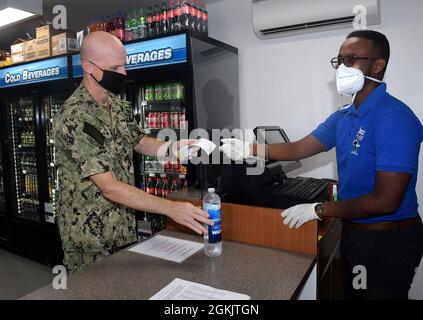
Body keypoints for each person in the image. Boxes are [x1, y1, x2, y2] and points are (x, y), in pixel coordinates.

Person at [220, 30, 423, 300]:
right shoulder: (344, 116)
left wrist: (319, 209)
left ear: (377, 65)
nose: (342, 68)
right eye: (339, 60)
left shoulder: (394, 118)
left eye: (351, 60)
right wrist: (251, 149)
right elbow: (300, 147)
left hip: (385, 240)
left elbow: (385, 201)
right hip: (357, 233)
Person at [53, 31, 212, 274]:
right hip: (89, 238)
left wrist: (170, 148)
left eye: (123, 65)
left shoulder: (117, 104)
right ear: (88, 66)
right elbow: (109, 187)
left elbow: (138, 141)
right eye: (115, 66)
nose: (123, 73)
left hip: (122, 226)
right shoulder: (74, 117)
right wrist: (171, 208)